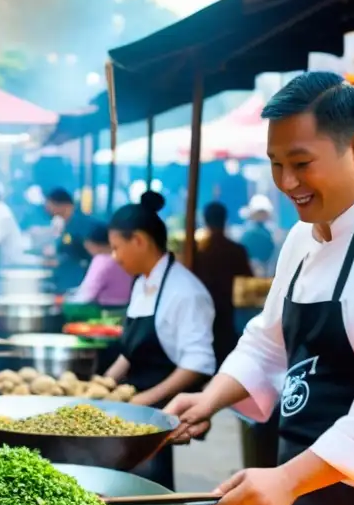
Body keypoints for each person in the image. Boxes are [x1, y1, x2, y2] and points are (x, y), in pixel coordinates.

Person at [167, 73, 354, 505]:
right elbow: (267, 342)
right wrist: (208, 399)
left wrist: (286, 479)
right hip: (297, 499)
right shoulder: (300, 241)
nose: (287, 183)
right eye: (276, 165)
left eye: (301, 164)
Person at [104, 191, 217, 489]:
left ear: (138, 240)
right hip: (134, 409)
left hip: (164, 412)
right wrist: (102, 386)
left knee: (149, 492)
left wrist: (144, 400)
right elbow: (132, 350)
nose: (114, 258)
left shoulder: (185, 292)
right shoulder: (141, 283)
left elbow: (198, 364)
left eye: (117, 248)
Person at [193, 202, 254, 366]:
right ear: (225, 220)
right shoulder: (236, 250)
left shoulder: (197, 252)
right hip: (227, 312)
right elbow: (249, 278)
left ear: (205, 220)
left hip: (201, 312)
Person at [45, 187, 98, 292]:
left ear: (61, 204)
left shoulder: (81, 224)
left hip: (79, 280)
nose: (47, 209)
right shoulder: (68, 224)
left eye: (49, 204)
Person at [68, 225, 131, 306]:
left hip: (104, 311)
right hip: (126, 308)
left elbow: (88, 294)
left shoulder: (102, 260)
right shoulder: (125, 257)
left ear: (92, 244)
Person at [238, 194, 277, 276]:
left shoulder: (272, 233)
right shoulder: (246, 233)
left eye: (263, 213)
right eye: (259, 213)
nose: (260, 215)